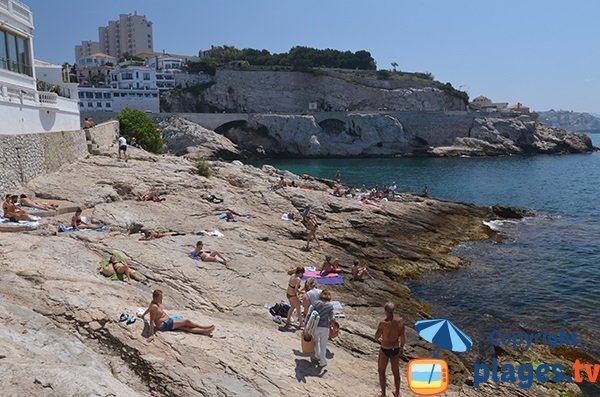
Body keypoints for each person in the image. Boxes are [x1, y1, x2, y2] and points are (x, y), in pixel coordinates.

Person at [146, 289, 214, 342]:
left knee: (185, 328)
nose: (162, 299)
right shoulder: (154, 307)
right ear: (156, 298)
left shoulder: (154, 303)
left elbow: (148, 309)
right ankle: (204, 327)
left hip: (168, 322)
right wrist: (151, 335)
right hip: (164, 325)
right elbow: (151, 321)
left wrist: (143, 315)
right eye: (160, 297)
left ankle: (205, 331)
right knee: (186, 322)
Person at [375, 302, 406, 397]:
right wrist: (402, 347)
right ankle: (397, 392)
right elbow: (403, 336)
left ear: (385, 312)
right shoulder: (400, 321)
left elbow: (376, 337)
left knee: (381, 371)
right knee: (396, 371)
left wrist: (381, 338)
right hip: (395, 348)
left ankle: (383, 394)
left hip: (385, 348)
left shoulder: (383, 323)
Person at [309, 289, 335, 368]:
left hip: (316, 326)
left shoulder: (316, 303)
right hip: (325, 327)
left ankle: (317, 356)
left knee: (316, 342)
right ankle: (322, 362)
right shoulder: (330, 306)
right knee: (323, 345)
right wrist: (331, 325)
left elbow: (310, 313)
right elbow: (332, 318)